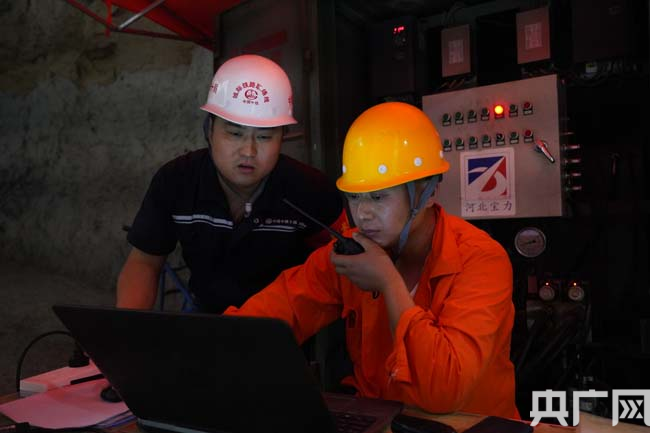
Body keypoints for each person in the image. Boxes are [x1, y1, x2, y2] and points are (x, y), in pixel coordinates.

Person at [225, 102, 519, 418]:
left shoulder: (481, 261)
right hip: (380, 420)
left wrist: (389, 283)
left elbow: (443, 392)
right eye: (354, 197)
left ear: (427, 191)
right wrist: (213, 351)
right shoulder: (351, 253)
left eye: (378, 197)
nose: (363, 214)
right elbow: (270, 317)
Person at [117, 54, 345, 313]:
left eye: (264, 137)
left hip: (284, 325)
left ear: (283, 137)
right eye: (235, 133)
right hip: (207, 319)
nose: (248, 151)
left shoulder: (310, 190)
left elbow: (343, 263)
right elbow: (145, 262)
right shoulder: (176, 181)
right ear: (209, 129)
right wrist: (127, 328)